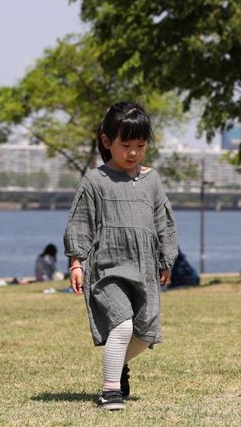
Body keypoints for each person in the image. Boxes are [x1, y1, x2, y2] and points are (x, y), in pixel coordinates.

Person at [64, 101, 178, 411]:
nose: (133, 152)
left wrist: (166, 259)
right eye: (125, 144)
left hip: (143, 267)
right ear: (106, 142)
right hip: (108, 268)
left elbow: (163, 220)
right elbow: (81, 222)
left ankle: (118, 364)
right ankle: (110, 391)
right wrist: (76, 261)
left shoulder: (152, 181)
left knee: (145, 332)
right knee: (123, 326)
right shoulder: (94, 182)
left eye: (140, 145)